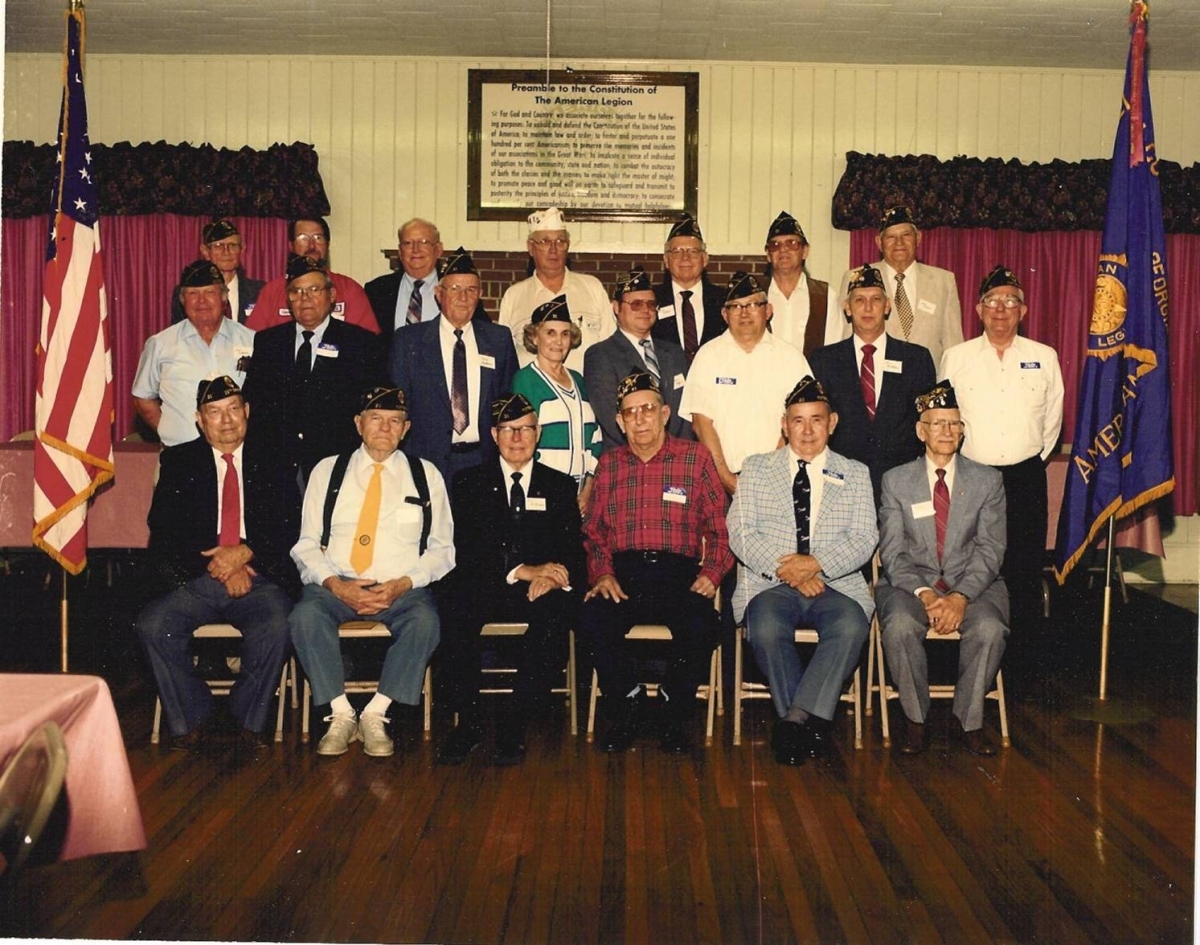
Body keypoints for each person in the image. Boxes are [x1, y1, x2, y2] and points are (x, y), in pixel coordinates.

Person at [290, 386, 455, 758]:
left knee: (426, 621)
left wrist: (403, 584)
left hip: (400, 588)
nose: (385, 428)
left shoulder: (425, 474)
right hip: (336, 584)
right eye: (376, 419)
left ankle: (376, 714)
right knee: (304, 616)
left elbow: (443, 548)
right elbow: (305, 544)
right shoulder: (327, 471)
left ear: (406, 428)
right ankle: (341, 713)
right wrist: (335, 585)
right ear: (358, 424)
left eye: (395, 421)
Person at [136, 376, 297, 751]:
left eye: (233, 409)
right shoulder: (179, 460)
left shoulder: (273, 458)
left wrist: (246, 552)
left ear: (247, 412)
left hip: (261, 577)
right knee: (154, 625)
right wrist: (221, 565)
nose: (226, 421)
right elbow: (162, 530)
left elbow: (292, 524)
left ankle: (246, 721)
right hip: (200, 577)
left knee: (278, 623)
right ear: (199, 419)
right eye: (214, 412)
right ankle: (195, 717)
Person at [727, 377, 876, 765]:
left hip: (836, 585)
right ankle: (810, 721)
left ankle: (794, 720)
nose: (807, 430)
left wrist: (817, 565)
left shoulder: (855, 473)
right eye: (798, 420)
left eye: (816, 420)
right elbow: (740, 532)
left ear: (833, 422)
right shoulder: (756, 469)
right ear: (784, 424)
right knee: (765, 627)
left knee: (851, 626)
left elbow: (864, 538)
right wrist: (791, 570)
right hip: (770, 584)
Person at [582, 371, 733, 754]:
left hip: (678, 573)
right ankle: (628, 702)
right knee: (592, 618)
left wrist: (712, 573)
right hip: (624, 574)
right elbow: (593, 531)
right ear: (619, 421)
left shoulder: (696, 459)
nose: (640, 419)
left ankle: (671, 706)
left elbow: (720, 527)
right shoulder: (609, 465)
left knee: (702, 624)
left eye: (648, 409)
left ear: (665, 413)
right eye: (630, 413)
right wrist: (602, 573)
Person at [436, 394, 585, 766]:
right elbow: (466, 549)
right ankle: (468, 722)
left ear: (538, 435)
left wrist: (554, 577)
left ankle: (514, 720)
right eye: (508, 429)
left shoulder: (560, 486)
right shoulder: (468, 482)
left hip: (540, 591)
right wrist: (522, 570)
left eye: (525, 429)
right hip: (486, 582)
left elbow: (571, 551)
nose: (517, 437)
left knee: (556, 614)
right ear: (493, 434)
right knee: (453, 607)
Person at [876, 382, 1008, 757]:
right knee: (900, 626)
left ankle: (969, 720)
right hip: (911, 587)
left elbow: (991, 549)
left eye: (954, 424)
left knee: (989, 628)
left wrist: (961, 597)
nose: (947, 432)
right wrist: (929, 595)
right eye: (937, 424)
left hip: (975, 586)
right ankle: (916, 720)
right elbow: (893, 551)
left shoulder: (988, 481)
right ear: (922, 431)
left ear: (963, 430)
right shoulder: (896, 481)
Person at [940, 265, 1063, 629]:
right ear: (978, 310)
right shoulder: (957, 358)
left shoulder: (1045, 356)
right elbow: (944, 421)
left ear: (1023, 311)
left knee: (1023, 570)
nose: (1000, 308)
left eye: (1010, 301)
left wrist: (1028, 461)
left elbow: (1052, 420)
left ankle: (1020, 665)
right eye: (992, 301)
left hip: (1025, 477)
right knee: (969, 565)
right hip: (972, 477)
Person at [241, 255, 384, 487]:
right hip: (279, 470)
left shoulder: (360, 343)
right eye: (296, 291)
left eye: (314, 289)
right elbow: (255, 403)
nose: (304, 299)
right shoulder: (269, 342)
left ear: (332, 295)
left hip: (338, 467)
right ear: (288, 299)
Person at [388, 247, 519, 484]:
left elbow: (507, 400)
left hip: (482, 461)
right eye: (455, 289)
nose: (463, 297)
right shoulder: (409, 341)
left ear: (479, 294)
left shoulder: (498, 339)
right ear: (438, 293)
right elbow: (398, 404)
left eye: (471, 290)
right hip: (425, 461)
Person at [808, 263, 936, 502]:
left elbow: (928, 424)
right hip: (840, 483)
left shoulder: (916, 359)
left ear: (887, 306)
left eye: (876, 299)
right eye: (859, 300)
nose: (868, 307)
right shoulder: (823, 360)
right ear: (847, 308)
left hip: (902, 483)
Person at [679, 271, 812, 495]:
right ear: (724, 314)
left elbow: (801, 420)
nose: (744, 313)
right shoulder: (708, 356)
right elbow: (701, 423)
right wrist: (726, 479)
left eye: (753, 305)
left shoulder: (790, 358)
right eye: (736, 306)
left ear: (768, 310)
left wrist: (772, 474)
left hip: (780, 482)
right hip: (720, 484)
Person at [132, 259, 257, 447]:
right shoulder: (160, 344)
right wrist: (168, 431)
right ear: (182, 300)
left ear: (224, 297)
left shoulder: (252, 341)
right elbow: (142, 397)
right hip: (179, 456)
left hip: (239, 456)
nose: (202, 301)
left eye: (209, 292)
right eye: (193, 294)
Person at [829, 205, 963, 365]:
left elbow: (953, 345)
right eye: (890, 237)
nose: (899, 242)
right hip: (877, 382)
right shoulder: (856, 277)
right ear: (879, 242)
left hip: (928, 383)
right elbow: (845, 336)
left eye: (906, 235)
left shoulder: (943, 281)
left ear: (918, 238)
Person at [585, 266, 691, 452]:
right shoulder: (601, 354)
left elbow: (686, 411)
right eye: (636, 304)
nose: (645, 310)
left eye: (651, 304)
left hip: (678, 458)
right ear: (616, 307)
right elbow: (611, 417)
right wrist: (649, 450)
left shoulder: (673, 352)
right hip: (628, 459)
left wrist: (680, 451)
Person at [511, 296, 602, 513]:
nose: (558, 341)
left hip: (583, 493)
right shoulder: (525, 380)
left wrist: (588, 487)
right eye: (550, 332)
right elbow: (520, 442)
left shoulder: (579, 380)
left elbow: (595, 437)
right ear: (534, 337)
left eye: (565, 334)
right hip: (543, 492)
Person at [499, 207, 614, 369]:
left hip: (587, 391)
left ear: (568, 246)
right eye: (545, 242)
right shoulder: (514, 296)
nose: (553, 250)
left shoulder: (592, 288)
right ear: (530, 248)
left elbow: (610, 349)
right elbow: (505, 358)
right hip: (532, 393)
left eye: (560, 241)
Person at [245, 217, 380, 333]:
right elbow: (253, 340)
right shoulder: (272, 291)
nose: (311, 245)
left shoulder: (350, 289)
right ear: (291, 245)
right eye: (303, 238)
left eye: (318, 238)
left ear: (328, 245)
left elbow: (367, 343)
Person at [651, 214, 725, 361]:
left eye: (693, 251)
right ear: (666, 260)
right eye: (677, 251)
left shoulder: (724, 300)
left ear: (705, 259)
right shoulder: (651, 300)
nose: (685, 258)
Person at [170, 219, 264, 325]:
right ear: (205, 251)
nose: (226, 252)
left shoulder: (261, 291)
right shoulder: (187, 292)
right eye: (218, 246)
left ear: (242, 249)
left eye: (232, 245)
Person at [763, 211, 829, 356]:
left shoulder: (826, 295)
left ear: (805, 251)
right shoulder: (756, 295)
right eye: (775, 245)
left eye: (791, 243)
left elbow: (833, 350)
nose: (783, 249)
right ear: (768, 255)